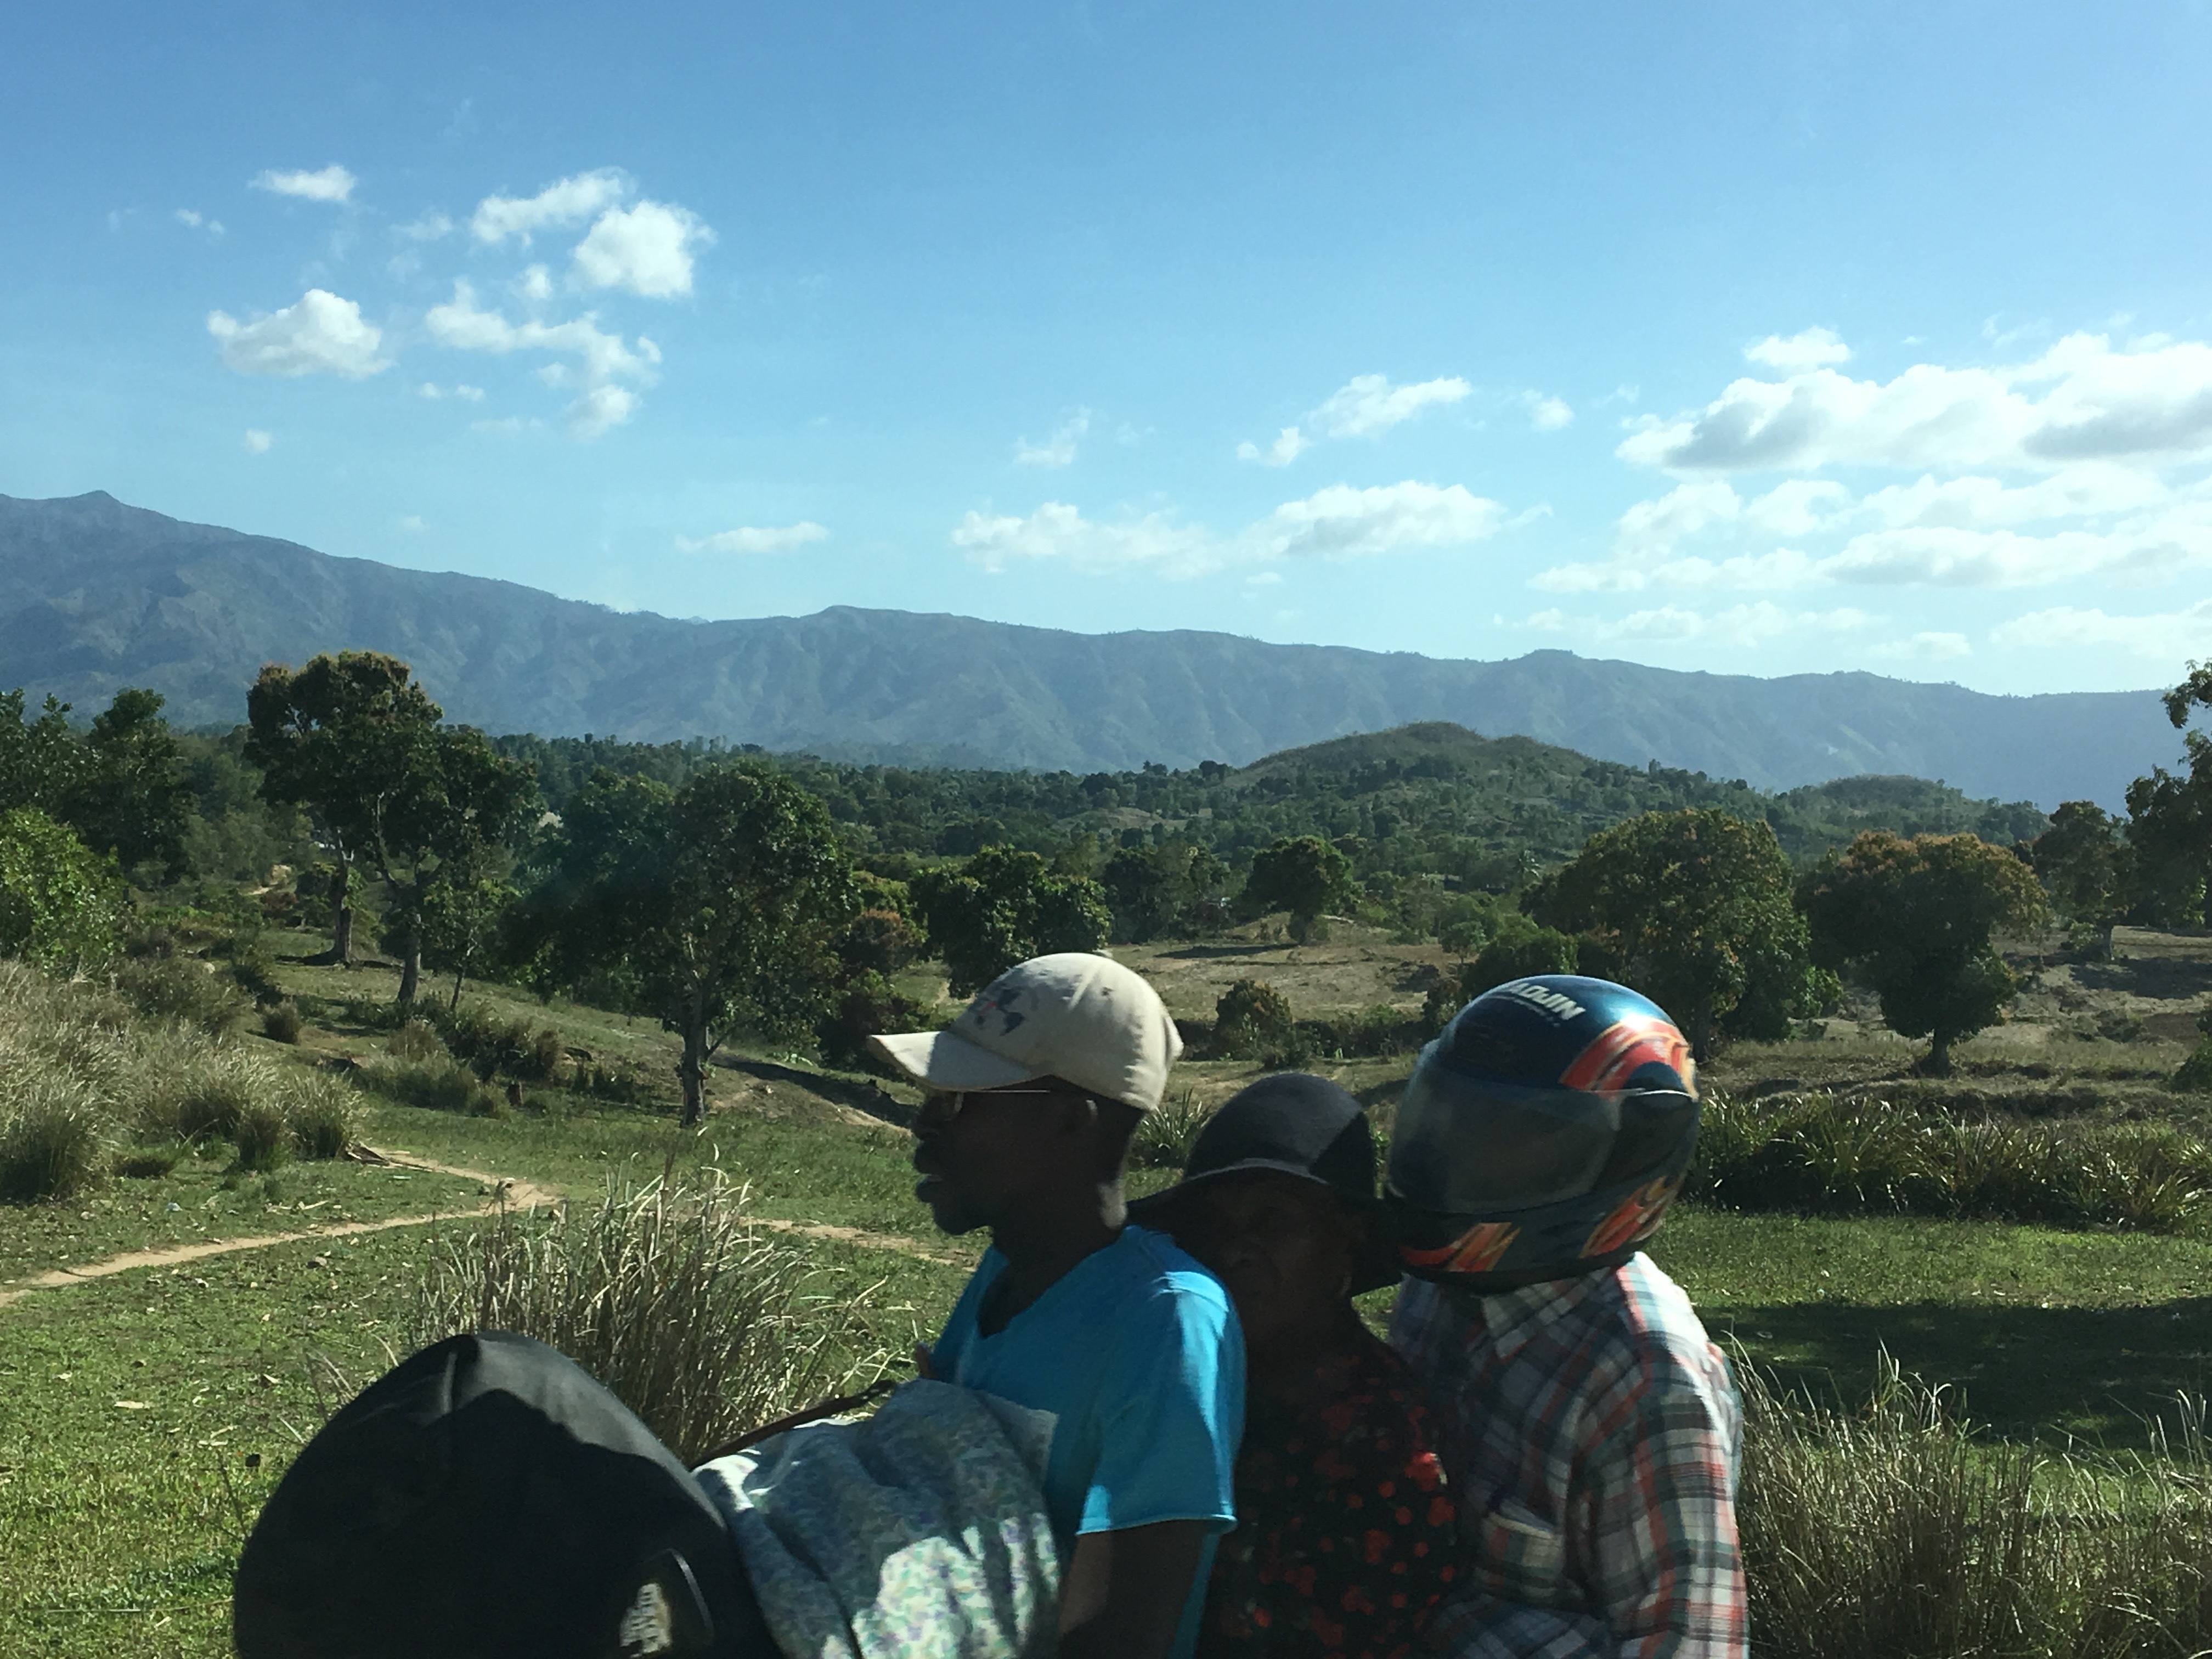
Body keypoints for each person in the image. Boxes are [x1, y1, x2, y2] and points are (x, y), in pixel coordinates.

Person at [870, 951, 1244, 1659]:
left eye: (961, 1101)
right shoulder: (1007, 1267)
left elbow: (1130, 1633)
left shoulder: (1167, 1323)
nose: (925, 1124)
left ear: (1072, 1124)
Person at [1381, 976, 1745, 1659]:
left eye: (1516, 1135)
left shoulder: (1648, 1380)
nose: (1465, 1150)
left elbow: (1689, 1644)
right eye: (1458, 1118)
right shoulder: (1441, 1289)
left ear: (1625, 1160)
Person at [1132, 1073, 1458, 1659]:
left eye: (1273, 1221)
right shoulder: (1188, 1383)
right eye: (1212, 1224)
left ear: (1347, 1240)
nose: (1232, 1249)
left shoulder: (1382, 1451)